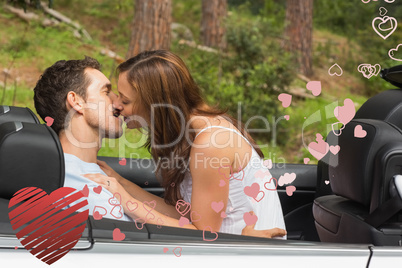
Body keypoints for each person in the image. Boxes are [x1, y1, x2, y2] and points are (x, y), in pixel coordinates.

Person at [85, 50, 287, 238]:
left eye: (126, 101)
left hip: (247, 251)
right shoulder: (190, 132)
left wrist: (126, 201)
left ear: (156, 104)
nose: (117, 105)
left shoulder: (210, 144)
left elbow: (202, 235)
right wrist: (121, 183)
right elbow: (185, 216)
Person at [33, 57, 131, 221]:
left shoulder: (74, 171)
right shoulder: (87, 191)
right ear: (76, 102)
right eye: (106, 92)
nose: (118, 101)